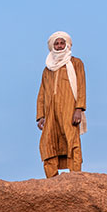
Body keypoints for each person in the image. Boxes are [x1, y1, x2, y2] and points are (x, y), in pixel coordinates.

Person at [36, 31, 86, 177]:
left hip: (69, 109)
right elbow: (42, 93)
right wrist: (40, 116)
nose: (59, 46)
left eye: (61, 43)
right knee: (47, 142)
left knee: (72, 140)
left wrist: (79, 109)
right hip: (50, 112)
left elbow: (81, 86)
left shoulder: (76, 63)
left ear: (67, 44)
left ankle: (75, 175)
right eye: (56, 43)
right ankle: (52, 178)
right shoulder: (47, 69)